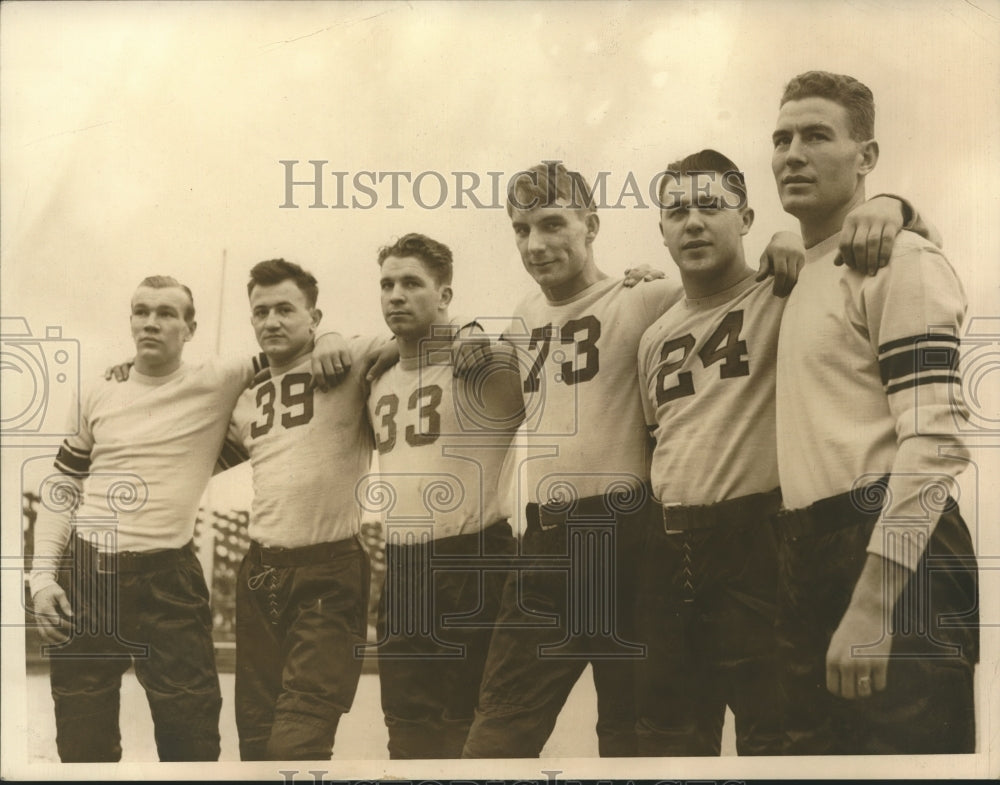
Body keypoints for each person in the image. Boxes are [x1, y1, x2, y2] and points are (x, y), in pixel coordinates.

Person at [28, 275, 349, 763]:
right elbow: (63, 485)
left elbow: (292, 346)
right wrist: (42, 578)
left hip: (168, 577)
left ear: (190, 327)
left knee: (193, 739)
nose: (151, 323)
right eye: (141, 311)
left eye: (166, 313)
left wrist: (331, 337)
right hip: (89, 574)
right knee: (82, 742)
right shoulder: (96, 390)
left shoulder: (216, 379)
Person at [770, 70, 978, 754]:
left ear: (867, 158)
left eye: (816, 135)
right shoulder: (803, 274)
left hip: (895, 554)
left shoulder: (903, 260)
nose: (792, 153)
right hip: (808, 550)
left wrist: (872, 603)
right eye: (782, 138)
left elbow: (935, 446)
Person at [462, 162, 686, 758]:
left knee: (631, 734)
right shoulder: (524, 317)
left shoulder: (646, 296)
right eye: (521, 228)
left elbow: (737, 282)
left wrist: (787, 243)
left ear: (591, 224)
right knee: (498, 733)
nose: (536, 244)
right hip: (547, 540)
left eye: (553, 223)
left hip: (630, 533)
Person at [367, 233, 523, 758]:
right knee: (406, 729)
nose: (396, 295)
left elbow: (558, 350)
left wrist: (473, 332)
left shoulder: (481, 360)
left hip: (473, 556)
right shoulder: (377, 376)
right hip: (403, 564)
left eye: (412, 283)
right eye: (387, 283)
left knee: (473, 730)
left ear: (445, 294)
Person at [217, 259, 381, 760]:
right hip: (262, 571)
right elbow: (187, 465)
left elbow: (416, 334)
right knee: (256, 737)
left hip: (328, 569)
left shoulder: (347, 360)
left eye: (285, 309)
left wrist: (332, 337)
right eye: (260, 312)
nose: (271, 321)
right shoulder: (246, 399)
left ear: (313, 315)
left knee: (299, 738)